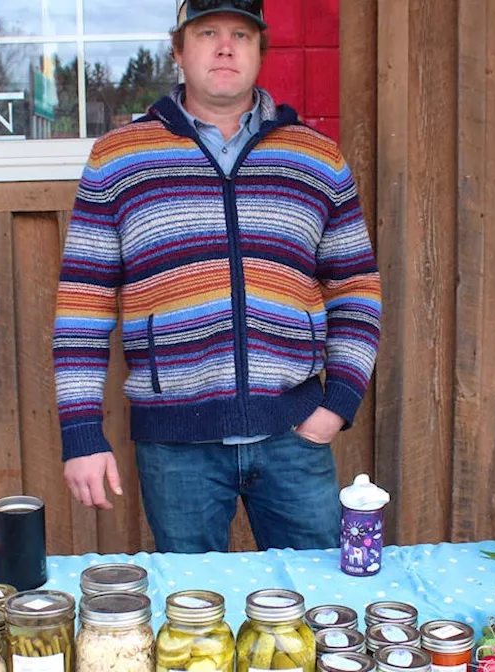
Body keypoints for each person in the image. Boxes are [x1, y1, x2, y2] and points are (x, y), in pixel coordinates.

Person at [52, 0, 381, 553]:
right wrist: (81, 433)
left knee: (319, 604)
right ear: (178, 50)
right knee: (192, 619)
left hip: (295, 434)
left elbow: (356, 289)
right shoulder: (119, 158)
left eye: (241, 35)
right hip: (176, 445)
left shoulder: (316, 159)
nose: (225, 47)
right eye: (207, 33)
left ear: (259, 51)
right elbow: (83, 304)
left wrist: (337, 404)